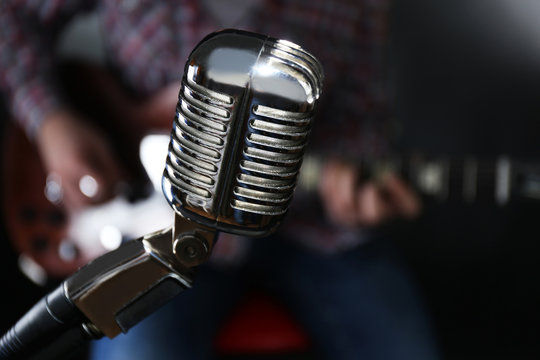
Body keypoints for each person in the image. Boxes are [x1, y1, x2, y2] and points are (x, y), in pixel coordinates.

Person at [0, 1, 439, 359]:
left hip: (310, 227)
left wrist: (355, 189)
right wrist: (51, 121)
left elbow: (363, 121)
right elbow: (12, 18)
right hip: (160, 228)